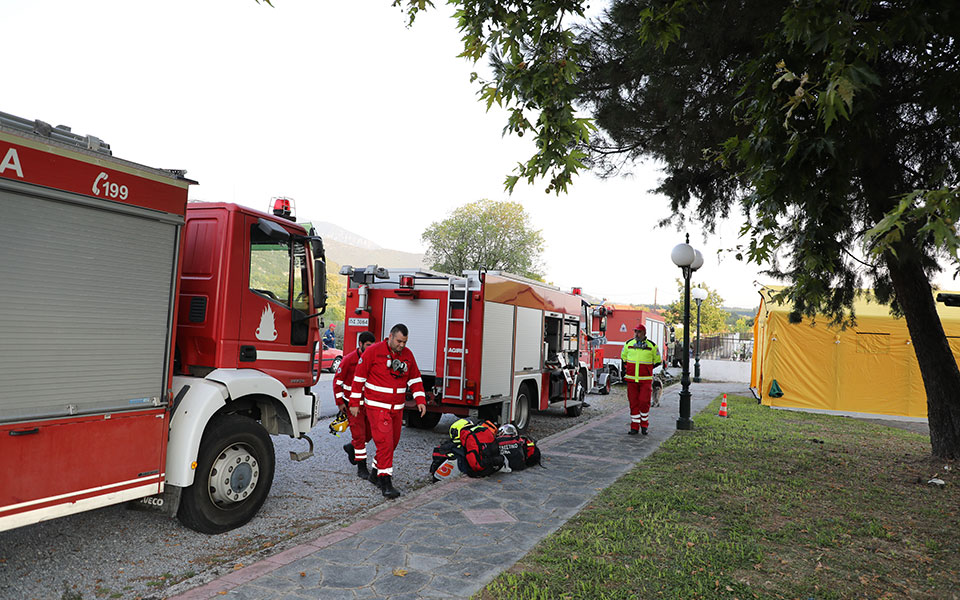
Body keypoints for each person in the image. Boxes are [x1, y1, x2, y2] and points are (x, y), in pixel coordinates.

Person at [349, 323, 426, 499]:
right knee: (385, 443)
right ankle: (385, 482)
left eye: (404, 342)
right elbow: (359, 377)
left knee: (393, 442)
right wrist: (354, 402)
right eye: (399, 341)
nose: (402, 345)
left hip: (397, 409)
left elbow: (415, 379)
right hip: (377, 407)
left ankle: (376, 472)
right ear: (390, 336)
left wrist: (420, 400)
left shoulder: (407, 355)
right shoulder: (373, 352)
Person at [334, 331, 376, 478]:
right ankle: (361, 467)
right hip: (353, 405)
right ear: (360, 344)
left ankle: (351, 447)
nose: (370, 348)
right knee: (359, 436)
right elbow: (337, 381)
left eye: (372, 346)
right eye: (368, 346)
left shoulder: (373, 359)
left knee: (369, 434)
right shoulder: (349, 360)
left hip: (369, 404)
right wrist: (340, 402)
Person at [621, 322, 662, 435]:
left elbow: (658, 361)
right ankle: (634, 427)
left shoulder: (652, 346)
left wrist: (647, 369)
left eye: (639, 332)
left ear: (644, 333)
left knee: (644, 402)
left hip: (645, 380)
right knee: (633, 403)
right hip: (631, 379)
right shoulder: (628, 344)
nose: (637, 334)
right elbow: (624, 359)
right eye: (635, 331)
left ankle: (644, 424)